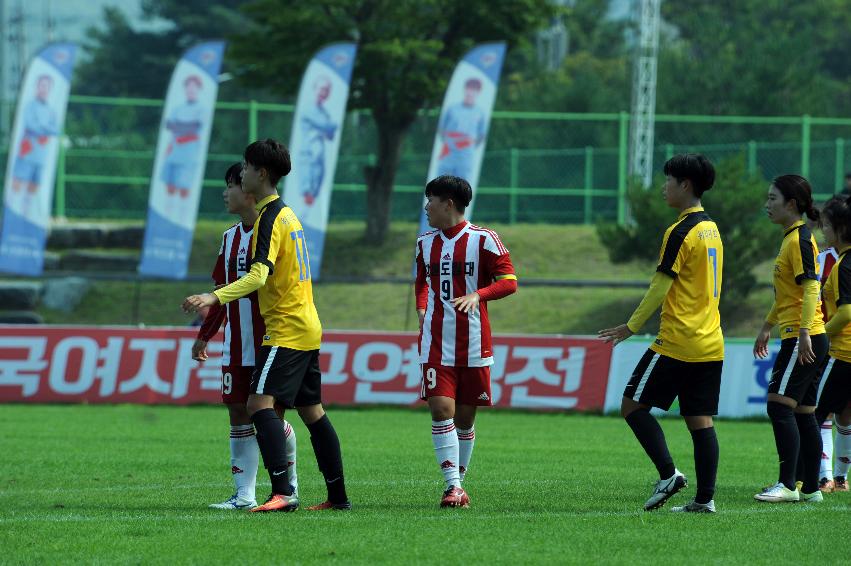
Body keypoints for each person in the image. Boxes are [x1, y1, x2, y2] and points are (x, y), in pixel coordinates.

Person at [182, 139, 350, 512]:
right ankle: (337, 497)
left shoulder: (270, 218)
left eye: (244, 167)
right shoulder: (288, 215)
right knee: (313, 412)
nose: (239, 175)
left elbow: (259, 275)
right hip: (307, 325)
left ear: (260, 173)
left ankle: (283, 493)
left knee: (259, 405)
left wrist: (214, 297)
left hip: (286, 328)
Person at [598, 154, 723, 513]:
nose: (663, 187)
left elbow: (660, 286)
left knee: (631, 405)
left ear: (685, 184)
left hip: (678, 340)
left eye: (668, 180)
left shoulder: (680, 231)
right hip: (711, 341)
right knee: (700, 421)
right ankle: (704, 500)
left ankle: (669, 475)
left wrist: (631, 326)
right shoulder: (711, 228)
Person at [193, 163, 298, 510]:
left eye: (230, 186)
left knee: (270, 417)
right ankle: (244, 495)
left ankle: (287, 486)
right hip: (238, 344)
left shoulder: (274, 229)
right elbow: (222, 291)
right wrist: (205, 335)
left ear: (249, 190)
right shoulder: (229, 238)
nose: (225, 193)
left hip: (273, 340)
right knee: (238, 413)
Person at [414, 175, 517, 508]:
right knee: (442, 408)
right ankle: (452, 486)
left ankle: (457, 485)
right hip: (434, 340)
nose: (426, 207)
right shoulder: (424, 243)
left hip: (474, 342)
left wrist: (478, 294)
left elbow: (509, 282)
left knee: (466, 418)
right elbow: (422, 282)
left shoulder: (485, 240)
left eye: (431, 200)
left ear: (448, 203)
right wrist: (421, 308)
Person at [753, 174, 828, 503]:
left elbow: (812, 286)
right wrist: (768, 325)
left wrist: (800, 332)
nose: (767, 205)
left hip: (805, 336)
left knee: (778, 406)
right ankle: (811, 488)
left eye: (772, 199)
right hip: (809, 334)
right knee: (803, 412)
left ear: (792, 205)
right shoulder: (792, 238)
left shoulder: (798, 240)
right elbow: (790, 294)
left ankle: (787, 484)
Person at [812, 195, 851, 493]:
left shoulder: (841, 264)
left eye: (826, 225)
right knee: (842, 412)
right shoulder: (830, 259)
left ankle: (819, 479)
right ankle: (836, 479)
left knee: (813, 412)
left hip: (839, 350)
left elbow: (846, 311)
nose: (822, 230)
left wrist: (820, 333)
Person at [11, 74, 58, 215]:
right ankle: (12, 210)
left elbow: (55, 129)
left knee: (34, 185)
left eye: (47, 87)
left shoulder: (51, 110)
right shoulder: (29, 106)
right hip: (27, 152)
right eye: (42, 86)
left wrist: (41, 127)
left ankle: (26, 212)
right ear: (37, 87)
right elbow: (31, 125)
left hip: (41, 155)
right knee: (18, 182)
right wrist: (44, 128)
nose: (44, 89)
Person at [160, 75, 204, 199]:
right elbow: (169, 125)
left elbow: (195, 128)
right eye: (188, 87)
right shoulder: (177, 108)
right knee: (170, 186)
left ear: (198, 89)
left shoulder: (201, 109)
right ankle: (168, 213)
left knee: (184, 188)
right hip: (174, 152)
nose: (191, 90)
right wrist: (185, 126)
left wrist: (179, 126)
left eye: (194, 87)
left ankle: (182, 215)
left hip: (189, 155)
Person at [436, 78, 486, 182]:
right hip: (448, 153)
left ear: (478, 92)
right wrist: (449, 142)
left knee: (462, 186)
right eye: (469, 88)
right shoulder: (452, 108)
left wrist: (469, 145)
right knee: (441, 184)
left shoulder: (480, 112)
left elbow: (481, 135)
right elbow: (441, 128)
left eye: (474, 90)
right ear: (465, 89)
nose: (471, 92)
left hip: (465, 156)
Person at [297, 75, 337, 206]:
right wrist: (331, 126)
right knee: (304, 208)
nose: (324, 92)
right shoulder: (308, 109)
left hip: (318, 162)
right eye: (323, 88)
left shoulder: (324, 112)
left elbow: (330, 135)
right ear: (315, 88)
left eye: (327, 90)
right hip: (308, 159)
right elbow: (329, 126)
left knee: (313, 205)